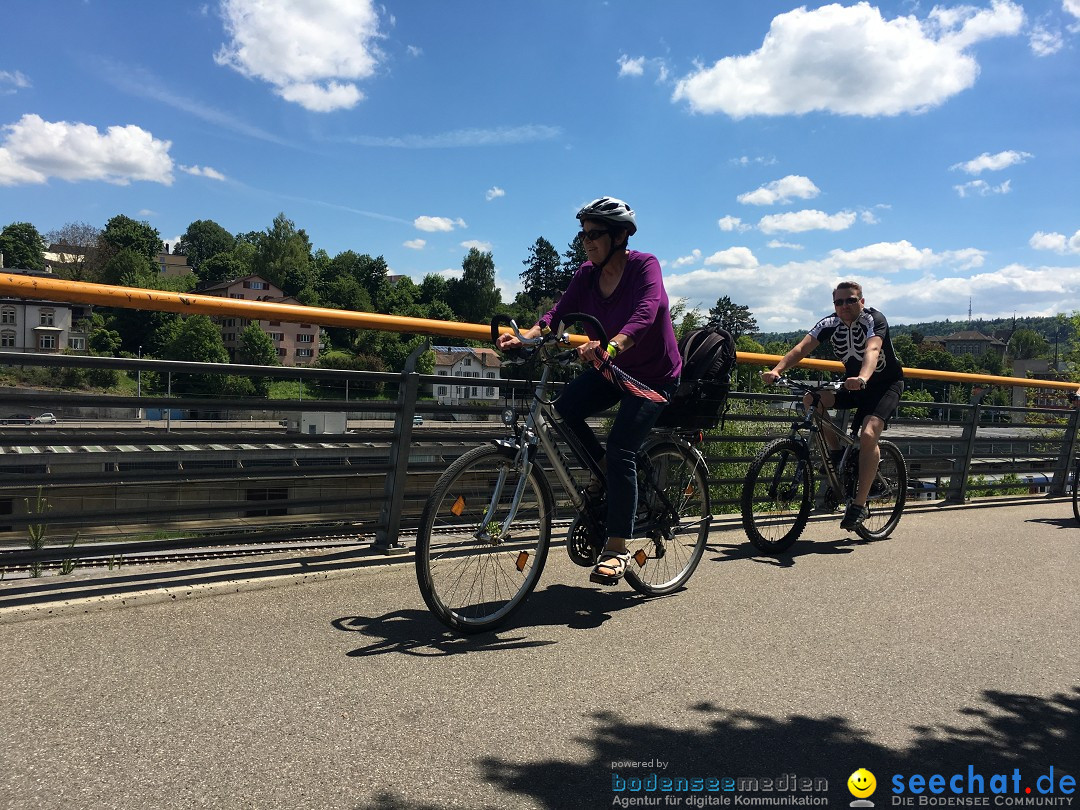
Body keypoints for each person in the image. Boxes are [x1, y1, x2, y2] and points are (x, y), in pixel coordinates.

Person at [495, 197, 682, 584]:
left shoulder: (644, 265)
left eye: (594, 234)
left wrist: (611, 345)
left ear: (620, 236)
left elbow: (646, 312)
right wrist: (526, 338)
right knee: (564, 408)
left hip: (653, 376)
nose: (586, 241)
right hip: (613, 368)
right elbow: (557, 315)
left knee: (621, 449)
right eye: (583, 234)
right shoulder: (586, 273)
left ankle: (617, 547)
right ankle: (603, 474)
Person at [760, 281, 904, 531]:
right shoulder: (829, 323)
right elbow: (802, 347)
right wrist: (777, 370)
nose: (844, 306)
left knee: (869, 434)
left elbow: (872, 348)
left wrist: (863, 378)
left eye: (850, 300)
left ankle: (858, 506)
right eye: (839, 302)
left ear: (862, 301)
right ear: (834, 305)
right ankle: (836, 454)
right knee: (811, 399)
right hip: (853, 385)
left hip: (883, 385)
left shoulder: (874, 319)